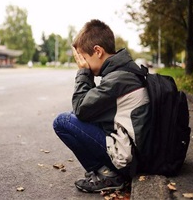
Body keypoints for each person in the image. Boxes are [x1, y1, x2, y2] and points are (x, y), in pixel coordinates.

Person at [53, 19, 151, 193]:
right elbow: (91, 110)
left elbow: (81, 109)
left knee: (63, 121)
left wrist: (83, 73)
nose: (83, 64)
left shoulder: (117, 79)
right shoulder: (125, 71)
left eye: (84, 58)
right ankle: (107, 172)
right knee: (76, 120)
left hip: (129, 162)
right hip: (138, 154)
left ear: (98, 51)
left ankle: (109, 175)